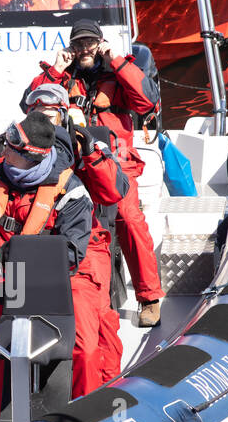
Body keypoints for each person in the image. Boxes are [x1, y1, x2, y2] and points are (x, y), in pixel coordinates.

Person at [0, 112, 122, 422]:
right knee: (2, 351)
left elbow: (71, 253)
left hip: (67, 275)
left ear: (30, 157)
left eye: (11, 149)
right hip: (11, 269)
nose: (4, 153)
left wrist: (26, 259)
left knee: (83, 348)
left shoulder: (72, 191)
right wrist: (0, 250)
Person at [26, 17, 164, 326]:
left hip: (115, 163)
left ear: (99, 43)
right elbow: (30, 104)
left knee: (128, 219)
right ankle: (61, 291)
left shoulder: (118, 72)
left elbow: (148, 101)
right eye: (79, 43)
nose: (84, 48)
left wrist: (113, 58)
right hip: (72, 163)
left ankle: (149, 297)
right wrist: (55, 69)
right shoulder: (64, 77)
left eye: (90, 42)